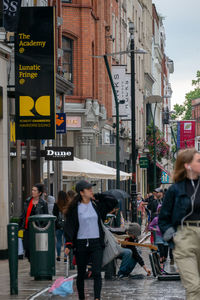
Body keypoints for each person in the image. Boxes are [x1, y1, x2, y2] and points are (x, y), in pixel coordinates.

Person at [64, 180, 118, 300]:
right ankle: (82, 297)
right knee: (81, 273)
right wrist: (68, 244)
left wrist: (98, 196)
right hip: (81, 243)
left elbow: (113, 201)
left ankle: (97, 298)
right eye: (88, 189)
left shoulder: (96, 205)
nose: (91, 191)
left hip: (96, 243)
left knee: (97, 272)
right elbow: (70, 226)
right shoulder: (75, 209)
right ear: (81, 192)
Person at [159, 148, 200, 300]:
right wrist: (173, 238)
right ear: (187, 165)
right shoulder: (174, 190)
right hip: (185, 237)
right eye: (198, 160)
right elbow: (163, 218)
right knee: (194, 286)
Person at [19, 183, 48, 260]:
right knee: (27, 249)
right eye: (32, 190)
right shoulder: (27, 201)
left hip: (37, 230)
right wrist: (20, 225)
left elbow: (46, 217)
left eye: (35, 190)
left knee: (36, 249)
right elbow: (23, 214)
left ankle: (35, 266)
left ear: (39, 193)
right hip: (27, 229)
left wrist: (42, 227)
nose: (32, 192)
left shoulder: (43, 203)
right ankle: (32, 262)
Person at [53, 190, 75, 262]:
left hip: (58, 226)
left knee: (59, 241)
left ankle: (58, 256)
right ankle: (65, 257)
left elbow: (54, 216)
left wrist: (56, 224)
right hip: (66, 226)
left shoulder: (56, 205)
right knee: (66, 241)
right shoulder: (67, 204)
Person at [149, 204, 168, 269]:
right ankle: (161, 267)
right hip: (159, 237)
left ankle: (164, 265)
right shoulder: (156, 219)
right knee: (161, 252)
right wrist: (155, 229)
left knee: (165, 254)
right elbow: (150, 226)